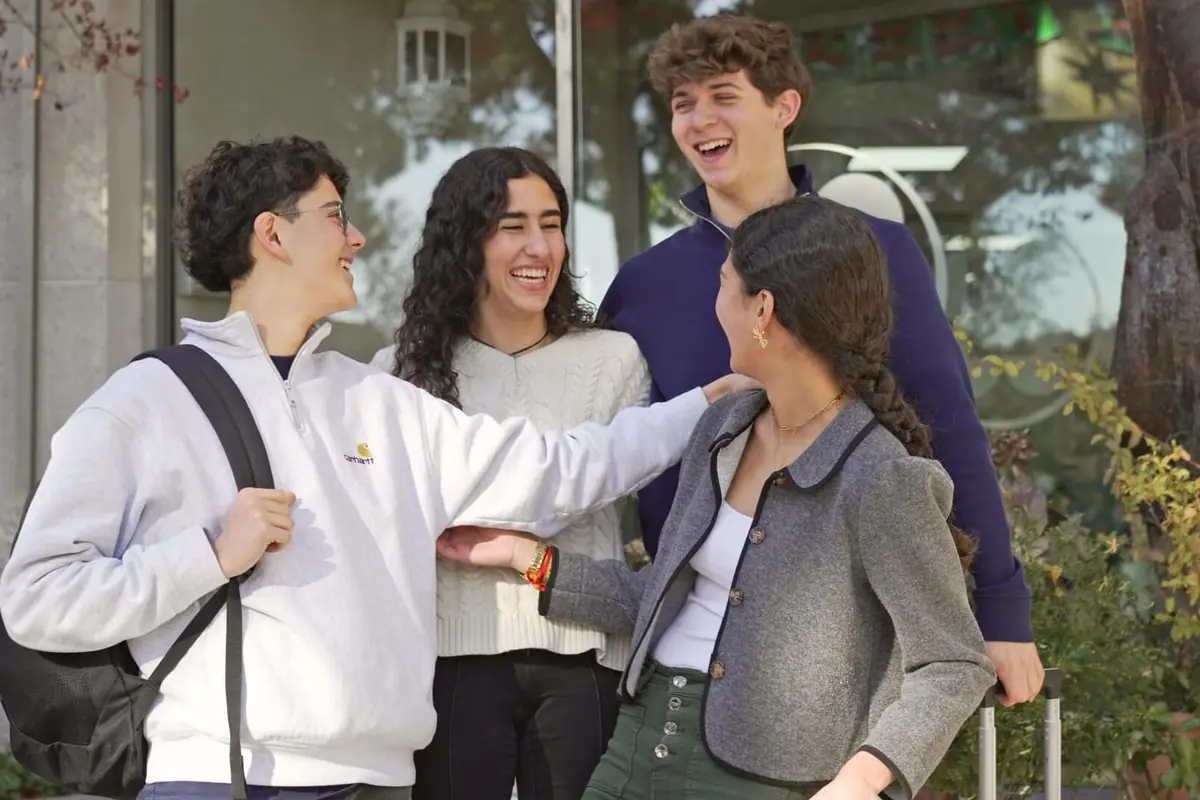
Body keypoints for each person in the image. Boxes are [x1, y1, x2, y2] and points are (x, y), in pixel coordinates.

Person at [0, 136, 752, 800]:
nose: (357, 237)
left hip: (380, 781)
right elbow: (37, 597)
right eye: (334, 217)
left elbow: (556, 472)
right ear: (273, 235)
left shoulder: (378, 400)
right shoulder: (146, 402)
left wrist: (705, 405)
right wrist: (206, 556)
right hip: (221, 776)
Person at [437, 196, 997, 800]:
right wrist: (528, 559)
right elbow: (663, 597)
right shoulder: (723, 429)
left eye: (724, 286)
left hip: (766, 781)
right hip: (636, 747)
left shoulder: (880, 475)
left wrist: (860, 781)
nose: (715, 307)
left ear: (763, 309)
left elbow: (953, 662)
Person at [595, 13, 1043, 705]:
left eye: (722, 95)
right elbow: (610, 456)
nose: (698, 119)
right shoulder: (642, 286)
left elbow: (948, 425)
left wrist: (1002, 611)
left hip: (846, 654)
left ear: (784, 106)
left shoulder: (879, 251)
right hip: (684, 659)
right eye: (683, 103)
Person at [369, 146, 649, 800]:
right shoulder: (399, 374)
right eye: (512, 225)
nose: (539, 246)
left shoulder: (614, 360)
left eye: (551, 224)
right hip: (451, 665)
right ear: (466, 242)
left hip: (585, 664)